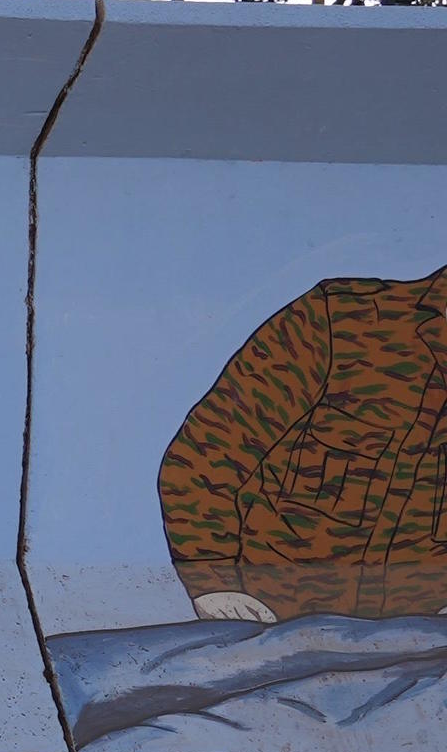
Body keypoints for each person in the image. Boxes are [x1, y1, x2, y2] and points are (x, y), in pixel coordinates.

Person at [160, 266, 447, 624]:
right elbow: (204, 453)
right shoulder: (340, 321)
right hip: (269, 628)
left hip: (416, 648)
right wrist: (215, 587)